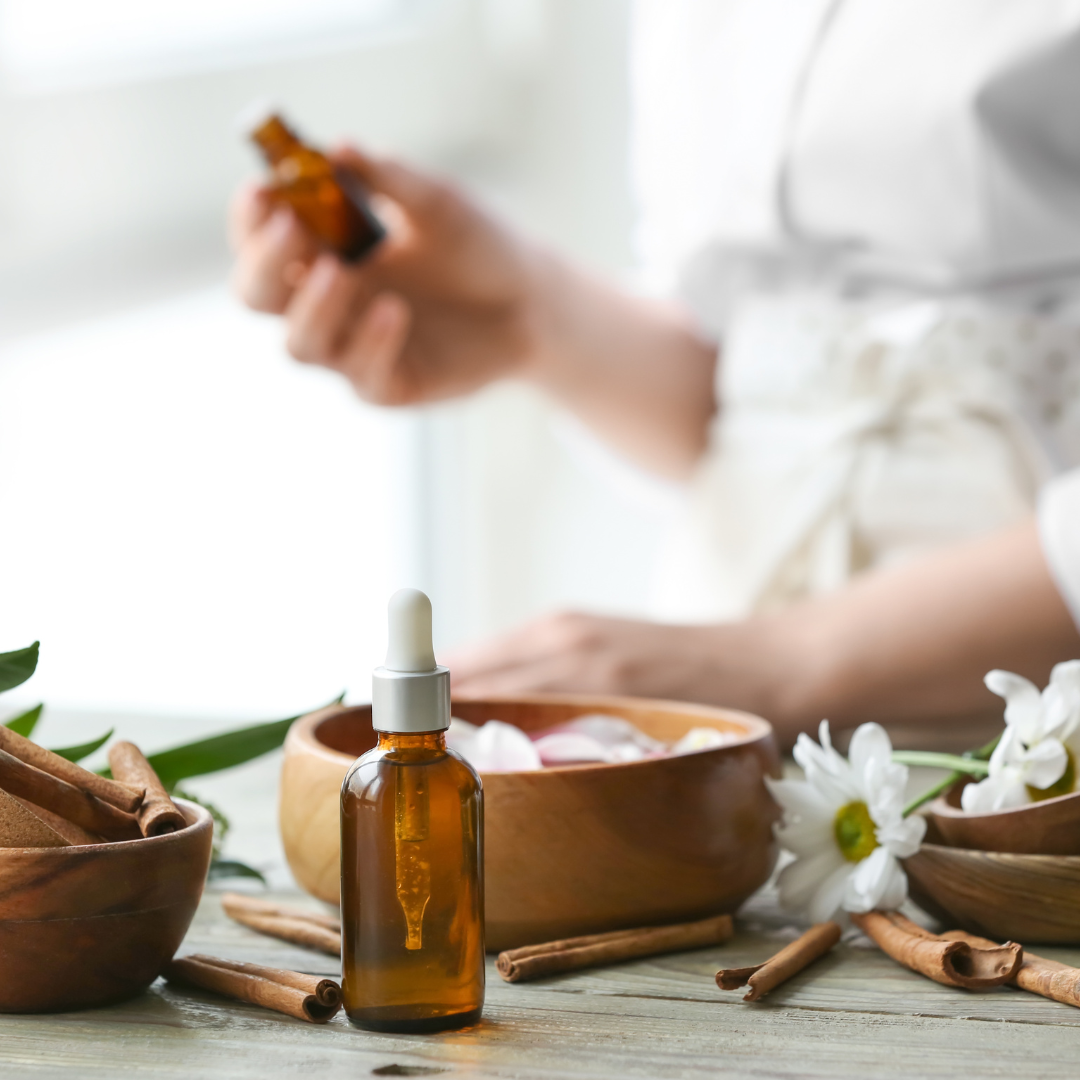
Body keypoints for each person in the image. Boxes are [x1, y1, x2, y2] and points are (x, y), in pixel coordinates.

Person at [230, 1, 1080, 747]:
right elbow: (754, 396)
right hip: (733, 714)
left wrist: (771, 663)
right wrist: (528, 315)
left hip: (1029, 752)